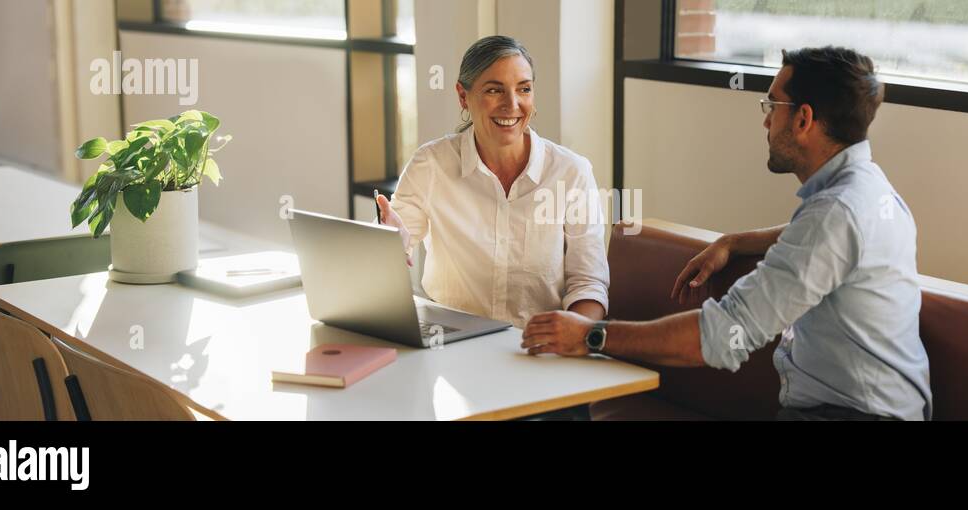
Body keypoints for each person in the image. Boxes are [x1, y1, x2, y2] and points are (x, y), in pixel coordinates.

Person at [519, 46, 932, 421]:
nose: (767, 121)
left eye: (772, 105)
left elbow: (722, 336)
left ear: (804, 118)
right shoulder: (865, 192)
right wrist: (736, 241)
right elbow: (817, 236)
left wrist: (591, 336)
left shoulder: (837, 213)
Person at [376, 36, 609, 329]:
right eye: (494, 90)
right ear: (463, 96)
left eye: (523, 89)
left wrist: (576, 334)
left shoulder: (571, 173)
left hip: (536, 349)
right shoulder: (431, 165)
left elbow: (588, 284)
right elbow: (396, 247)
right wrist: (387, 244)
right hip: (451, 345)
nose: (512, 105)